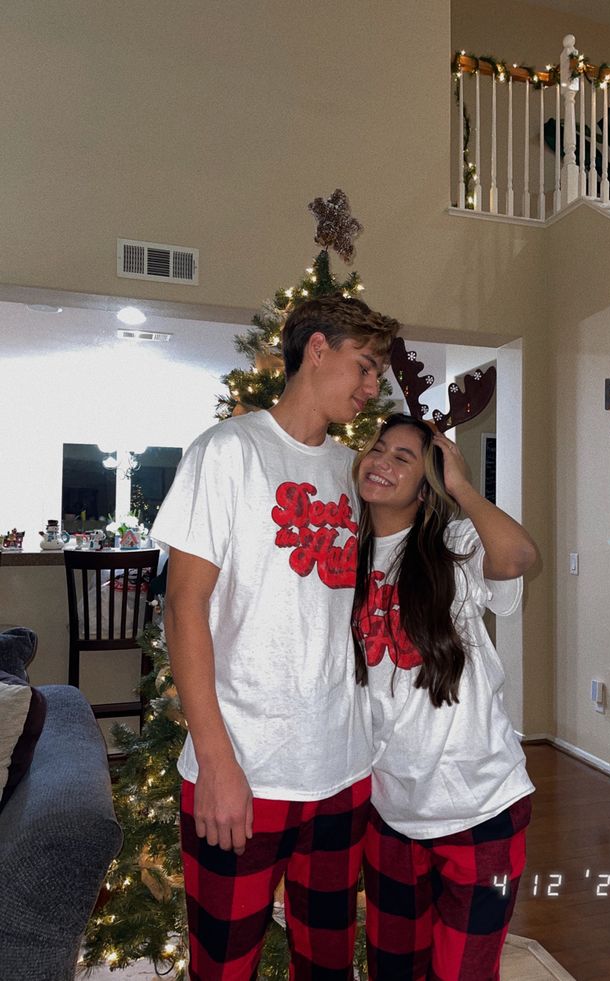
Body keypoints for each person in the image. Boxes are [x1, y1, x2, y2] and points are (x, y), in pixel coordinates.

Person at [150, 295, 400, 980]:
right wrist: (217, 760)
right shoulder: (228, 452)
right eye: (366, 366)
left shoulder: (353, 472)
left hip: (341, 770)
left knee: (328, 964)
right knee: (224, 965)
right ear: (317, 349)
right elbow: (184, 607)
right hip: (243, 771)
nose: (373, 385)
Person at [351, 413, 539, 981]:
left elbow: (516, 556)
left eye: (403, 457)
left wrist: (462, 487)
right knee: (393, 968)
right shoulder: (343, 558)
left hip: (479, 804)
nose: (382, 462)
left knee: (463, 973)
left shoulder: (453, 543)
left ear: (427, 484)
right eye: (378, 448)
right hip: (391, 809)